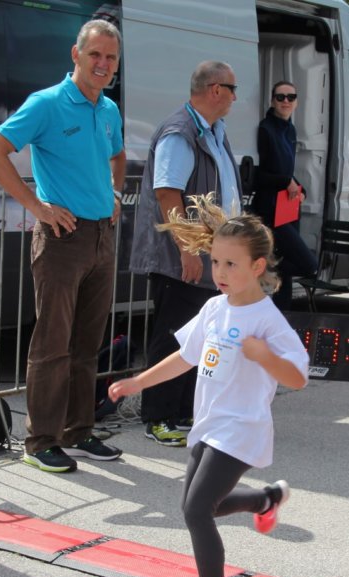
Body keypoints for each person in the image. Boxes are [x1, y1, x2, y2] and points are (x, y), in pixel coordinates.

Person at [109, 195, 308, 577]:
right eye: (215, 261)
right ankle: (265, 499)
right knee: (202, 507)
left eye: (231, 264)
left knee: (196, 511)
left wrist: (265, 356)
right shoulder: (215, 307)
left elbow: (297, 377)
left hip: (240, 429)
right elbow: (186, 357)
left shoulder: (267, 320)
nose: (219, 272)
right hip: (208, 425)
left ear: (257, 266)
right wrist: (138, 382)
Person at [0, 19, 126, 474]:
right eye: (95, 54)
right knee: (53, 344)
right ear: (75, 54)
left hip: (101, 236)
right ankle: (40, 441)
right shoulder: (46, 103)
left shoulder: (109, 109)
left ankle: (78, 432)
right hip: (62, 238)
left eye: (111, 57)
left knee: (87, 344)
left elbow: (117, 155)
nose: (103, 64)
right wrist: (37, 207)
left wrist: (115, 193)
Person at [129, 61, 242, 447]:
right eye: (232, 89)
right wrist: (187, 250)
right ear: (215, 89)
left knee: (199, 337)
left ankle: (182, 412)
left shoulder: (213, 131)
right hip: (181, 259)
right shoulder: (180, 132)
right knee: (173, 337)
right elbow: (167, 193)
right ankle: (158, 417)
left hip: (208, 257)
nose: (235, 97)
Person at [251, 80, 317, 310]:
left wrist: (298, 187)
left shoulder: (290, 130)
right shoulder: (265, 129)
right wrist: (286, 182)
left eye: (291, 97)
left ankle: (281, 320)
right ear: (272, 101)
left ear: (297, 102)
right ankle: (263, 267)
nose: (286, 101)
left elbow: (285, 171)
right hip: (270, 211)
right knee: (309, 265)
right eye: (280, 97)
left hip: (287, 208)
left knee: (285, 277)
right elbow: (259, 176)